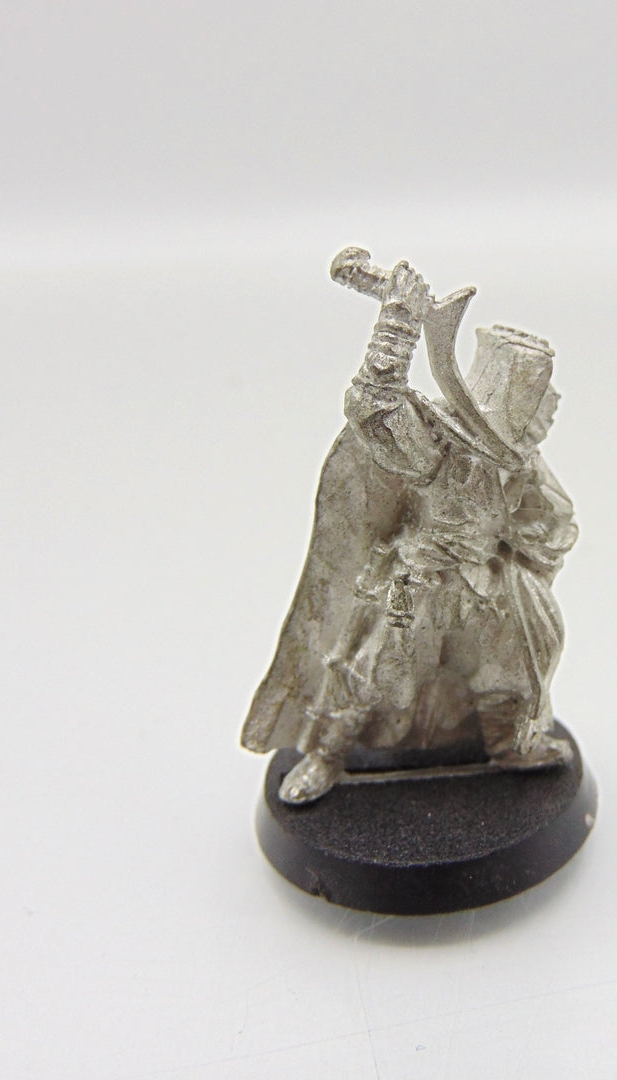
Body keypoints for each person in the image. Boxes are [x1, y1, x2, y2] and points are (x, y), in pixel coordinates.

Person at [242, 256, 578, 804]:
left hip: (489, 586)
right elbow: (374, 409)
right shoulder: (444, 447)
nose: (549, 409)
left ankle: (508, 748)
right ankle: (327, 756)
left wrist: (525, 546)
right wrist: (397, 322)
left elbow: (551, 522)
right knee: (372, 671)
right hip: (416, 582)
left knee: (513, 672)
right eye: (541, 398)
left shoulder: (522, 461)